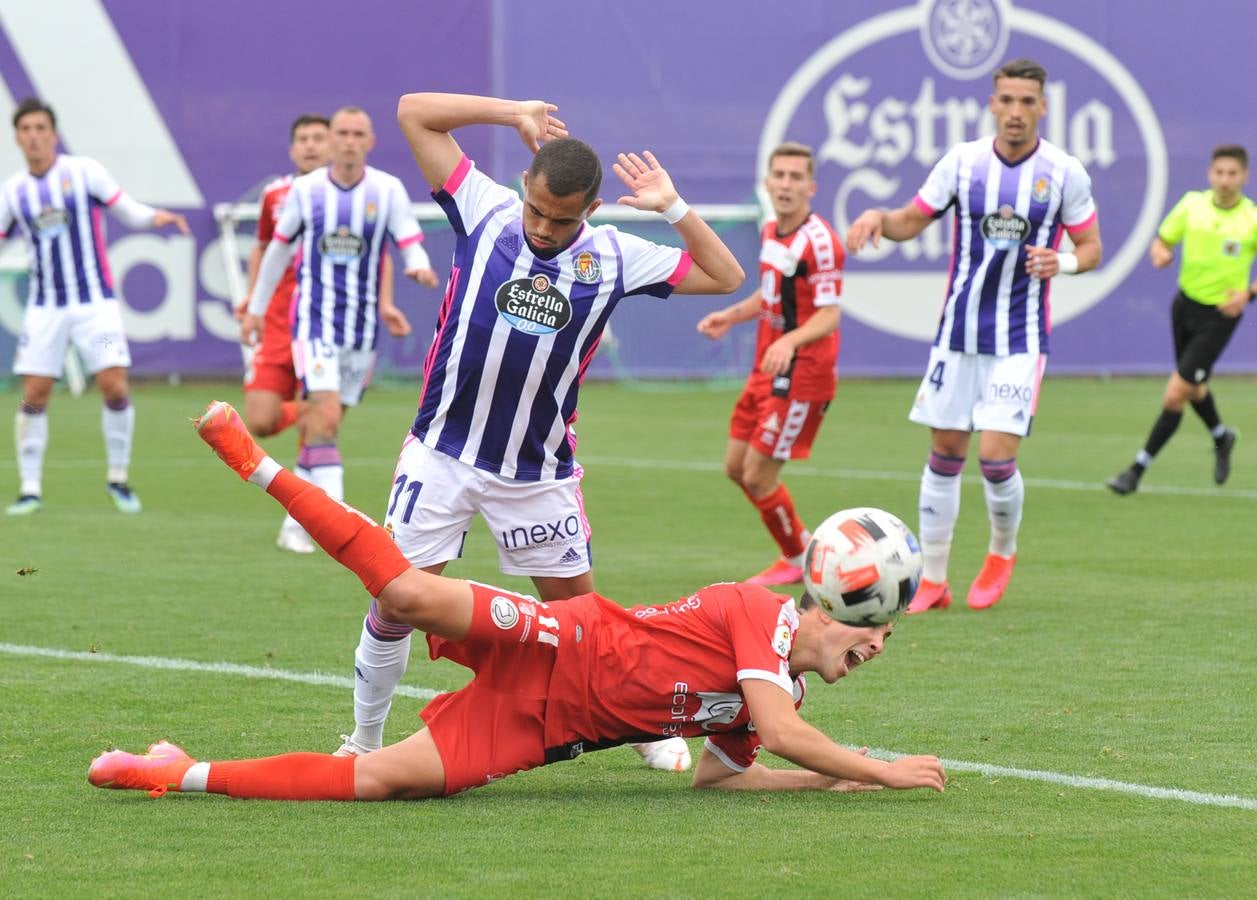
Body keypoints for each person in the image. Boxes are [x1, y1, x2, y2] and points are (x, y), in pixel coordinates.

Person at [86, 400, 948, 801]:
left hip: (546, 732)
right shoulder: (762, 614)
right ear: (833, 607)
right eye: (874, 634)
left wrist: (825, 786)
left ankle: (173, 771)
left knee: (383, 783)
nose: (874, 651)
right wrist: (880, 769)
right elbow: (789, 735)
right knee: (402, 592)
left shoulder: (777, 695)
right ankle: (259, 464)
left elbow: (726, 776)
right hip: (556, 641)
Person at [332, 91, 746, 773]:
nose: (545, 228)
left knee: (585, 625)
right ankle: (364, 742)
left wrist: (673, 207)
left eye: (562, 218)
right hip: (442, 454)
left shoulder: (614, 256)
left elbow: (724, 275)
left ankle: (638, 722)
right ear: (524, 186)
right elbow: (413, 111)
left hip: (537, 473)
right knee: (394, 600)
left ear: (589, 209)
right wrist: (513, 112)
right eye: (537, 210)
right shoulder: (484, 207)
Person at [846, 59, 1102, 613]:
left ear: (1043, 106)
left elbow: (1092, 250)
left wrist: (1061, 260)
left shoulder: (1063, 172)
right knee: (944, 451)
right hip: (957, 334)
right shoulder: (963, 163)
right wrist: (878, 219)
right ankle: (933, 581)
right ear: (992, 103)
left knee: (994, 456)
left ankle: (1000, 553)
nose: (1015, 112)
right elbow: (912, 220)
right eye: (1006, 100)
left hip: (1020, 338)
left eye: (1026, 102)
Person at [242, 106, 435, 544]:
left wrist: (419, 266)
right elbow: (276, 253)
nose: (349, 140)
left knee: (321, 425)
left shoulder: (387, 190)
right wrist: (255, 308)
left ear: (370, 142)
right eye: (342, 133)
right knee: (323, 415)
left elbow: (408, 239)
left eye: (358, 134)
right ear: (331, 141)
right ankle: (339, 532)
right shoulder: (306, 191)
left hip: (361, 330)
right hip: (313, 323)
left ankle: (296, 524)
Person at [1, 98, 189, 516]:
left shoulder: (83, 173)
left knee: (114, 385)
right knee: (34, 393)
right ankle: (30, 488)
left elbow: (127, 209)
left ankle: (118, 479)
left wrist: (157, 217)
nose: (33, 136)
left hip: (94, 307)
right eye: (25, 129)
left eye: (40, 128)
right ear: (17, 137)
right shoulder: (14, 191)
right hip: (45, 309)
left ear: (53, 133)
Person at [696, 142, 844, 586]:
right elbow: (771, 292)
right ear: (767, 183)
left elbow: (830, 312)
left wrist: (792, 342)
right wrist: (733, 314)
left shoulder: (821, 243)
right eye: (779, 175)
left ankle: (801, 557)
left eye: (795, 177)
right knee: (735, 468)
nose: (785, 184)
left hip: (802, 374)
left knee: (758, 475)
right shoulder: (771, 231)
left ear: (811, 187)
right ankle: (800, 549)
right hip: (767, 368)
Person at [1106, 145, 1257, 495]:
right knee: (1193, 386)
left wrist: (1248, 295)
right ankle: (1223, 436)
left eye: (1232, 173)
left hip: (1220, 316)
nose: (1225, 180)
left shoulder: (1256, 222)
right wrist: (1160, 254)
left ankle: (1136, 470)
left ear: (1244, 177)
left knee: (1176, 393)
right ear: (1210, 174)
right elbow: (1162, 241)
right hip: (1184, 307)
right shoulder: (1192, 205)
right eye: (1219, 172)